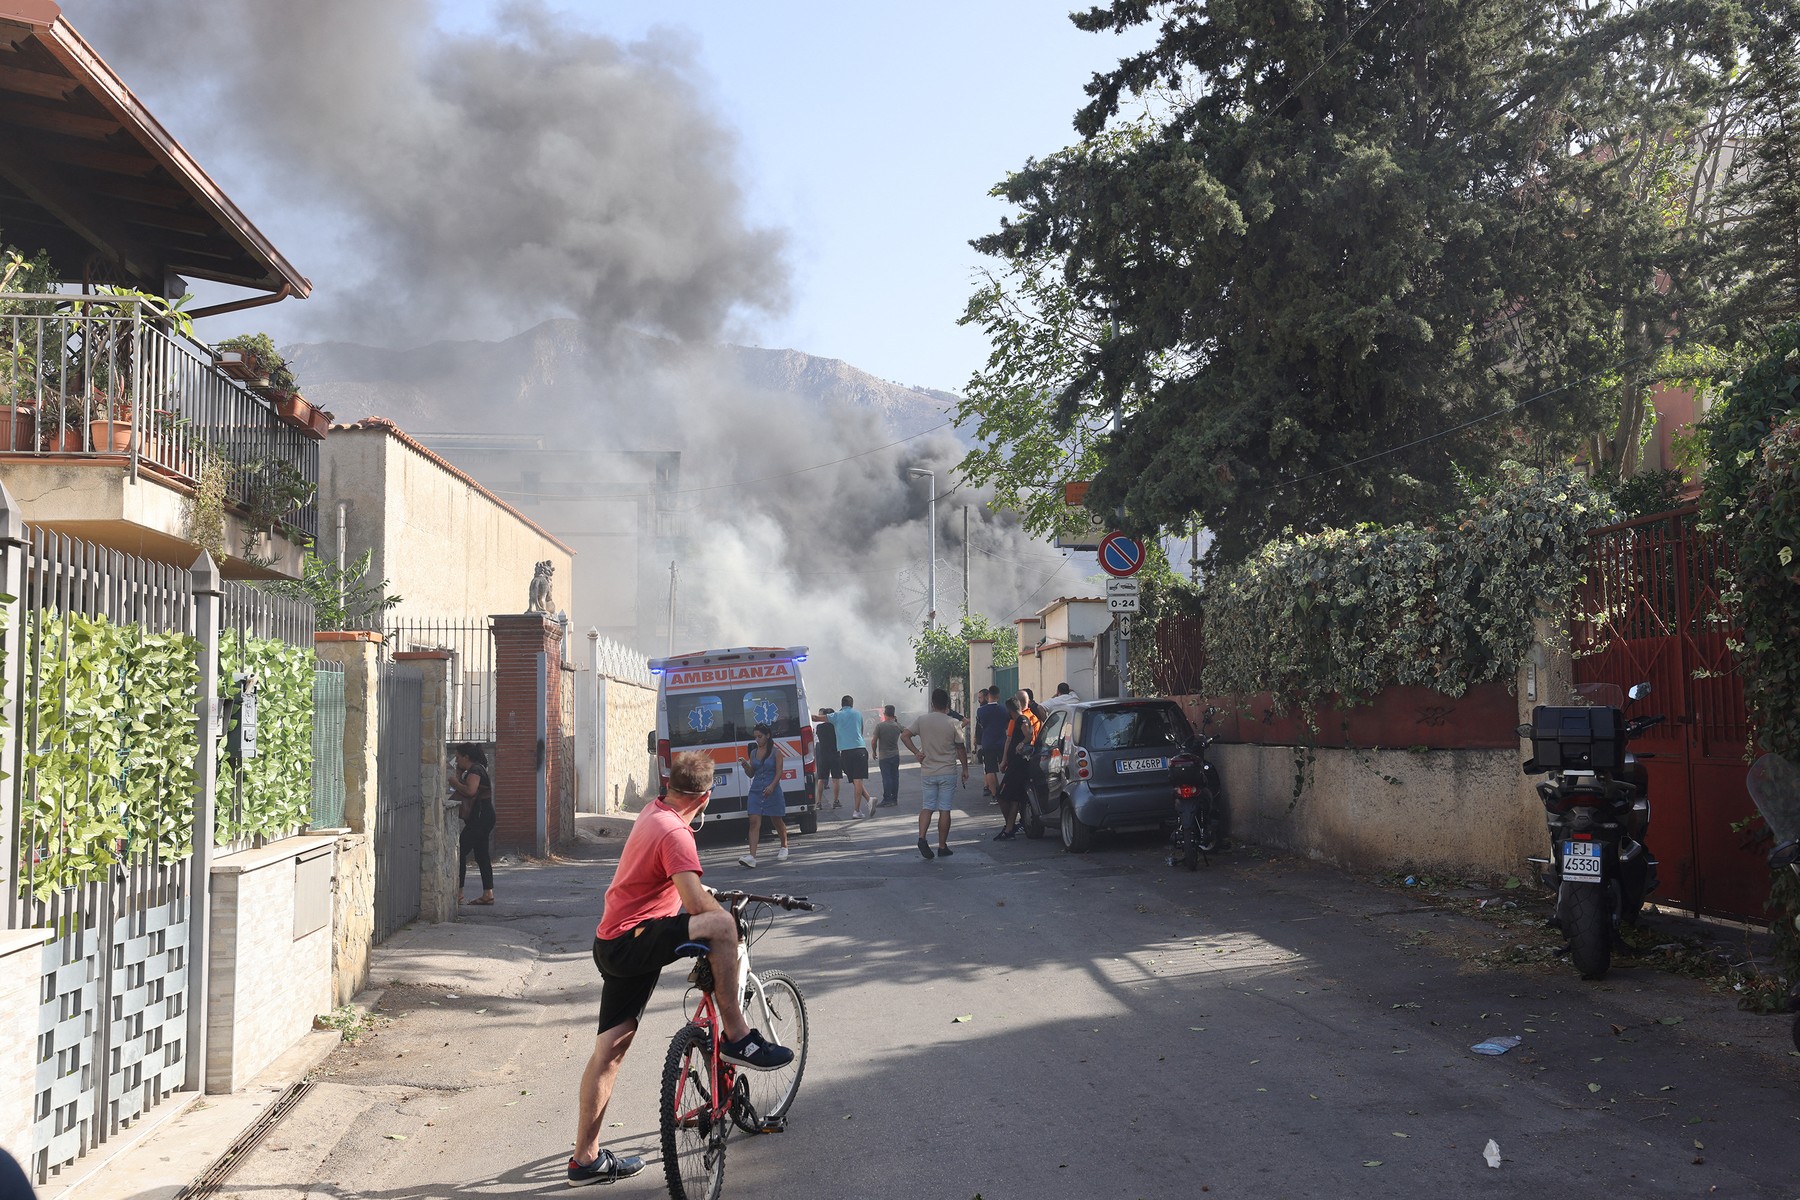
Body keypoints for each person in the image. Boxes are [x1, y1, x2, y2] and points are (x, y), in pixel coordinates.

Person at [571, 751, 793, 1186]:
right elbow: (694, 904)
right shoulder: (676, 832)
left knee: (610, 1050)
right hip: (635, 940)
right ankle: (738, 1037)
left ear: (669, 786)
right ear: (706, 797)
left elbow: (674, 882)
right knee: (722, 926)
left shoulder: (653, 813)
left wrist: (703, 891)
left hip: (613, 942)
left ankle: (585, 1160)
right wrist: (715, 910)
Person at [902, 687, 968, 859]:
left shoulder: (922, 720)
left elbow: (904, 736)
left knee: (927, 806)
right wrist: (965, 769)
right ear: (947, 704)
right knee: (944, 809)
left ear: (932, 704)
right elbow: (960, 748)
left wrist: (917, 752)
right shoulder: (953, 723)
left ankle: (922, 837)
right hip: (948, 771)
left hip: (928, 771)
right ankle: (942, 846)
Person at [737, 724, 791, 868]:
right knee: (754, 822)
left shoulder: (776, 752)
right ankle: (752, 857)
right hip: (756, 790)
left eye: (759, 736)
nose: (757, 739)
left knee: (776, 820)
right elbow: (751, 774)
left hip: (772, 789)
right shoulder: (753, 752)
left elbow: (779, 772)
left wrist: (772, 786)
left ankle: (784, 846)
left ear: (767, 736)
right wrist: (745, 765)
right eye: (755, 737)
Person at [448, 744, 495, 905]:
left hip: (480, 819)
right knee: (481, 855)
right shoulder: (475, 769)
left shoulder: (475, 770)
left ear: (466, 757)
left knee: (461, 851)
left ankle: (459, 893)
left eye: (458, 757)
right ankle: (488, 894)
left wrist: (454, 782)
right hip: (483, 818)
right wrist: (458, 774)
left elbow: (470, 791)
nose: (456, 760)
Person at [995, 697, 1035, 839]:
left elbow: (1029, 735)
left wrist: (1022, 743)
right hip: (1013, 764)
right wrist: (1005, 760)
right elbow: (1010, 740)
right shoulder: (1016, 720)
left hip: (1018, 766)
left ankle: (1009, 826)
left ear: (1009, 710)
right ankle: (1010, 827)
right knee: (1014, 799)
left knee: (1001, 795)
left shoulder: (1021, 720)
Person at [830, 697, 871, 817]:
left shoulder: (836, 715)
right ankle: (857, 810)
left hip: (845, 752)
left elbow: (818, 718)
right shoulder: (857, 714)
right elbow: (861, 731)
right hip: (859, 749)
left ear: (841, 704)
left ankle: (868, 800)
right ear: (852, 704)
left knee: (854, 779)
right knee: (858, 780)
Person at [974, 688, 1008, 804]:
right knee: (1007, 768)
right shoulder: (1004, 709)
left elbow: (981, 724)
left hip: (988, 742)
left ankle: (994, 796)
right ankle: (1007, 791)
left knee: (990, 770)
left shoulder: (981, 711)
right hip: (1002, 742)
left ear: (988, 696)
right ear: (998, 696)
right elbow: (1007, 724)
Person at [871, 704, 904, 807]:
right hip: (895, 755)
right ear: (893, 714)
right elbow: (907, 732)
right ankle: (894, 799)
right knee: (895, 777)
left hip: (884, 756)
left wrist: (874, 752)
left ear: (885, 714)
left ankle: (887, 799)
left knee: (886, 778)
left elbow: (874, 741)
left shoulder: (880, 726)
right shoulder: (897, 725)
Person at [813, 708, 842, 810]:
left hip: (823, 755)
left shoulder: (819, 727)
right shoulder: (836, 727)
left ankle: (818, 802)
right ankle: (836, 801)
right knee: (835, 779)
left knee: (821, 779)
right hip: (835, 755)